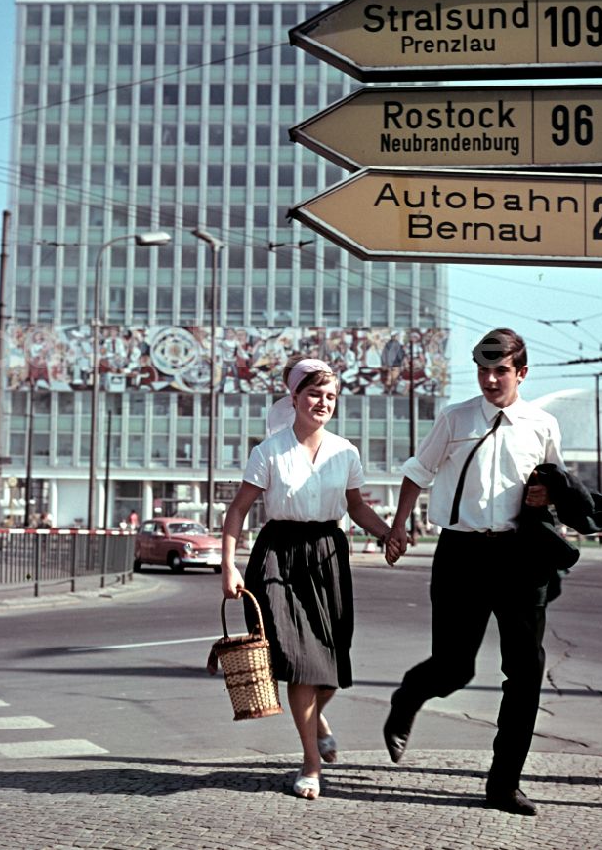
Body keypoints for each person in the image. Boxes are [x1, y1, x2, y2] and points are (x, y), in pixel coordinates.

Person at [382, 328, 563, 816]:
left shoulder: (542, 425)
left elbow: (555, 484)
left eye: (500, 370)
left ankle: (504, 783)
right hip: (460, 553)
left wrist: (549, 498)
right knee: (454, 666)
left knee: (526, 673)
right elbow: (418, 472)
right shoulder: (455, 417)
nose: (490, 379)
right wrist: (398, 527)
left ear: (521, 373)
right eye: (483, 370)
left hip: (520, 558)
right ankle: (408, 698)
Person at [221, 356, 400, 800]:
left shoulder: (346, 451)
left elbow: (356, 506)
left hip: (327, 556)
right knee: (299, 661)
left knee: (332, 664)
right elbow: (239, 509)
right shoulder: (269, 451)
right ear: (295, 398)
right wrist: (228, 564)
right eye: (315, 394)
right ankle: (311, 763)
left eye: (330, 396)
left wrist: (386, 534)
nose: (323, 402)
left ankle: (316, 719)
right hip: (278, 556)